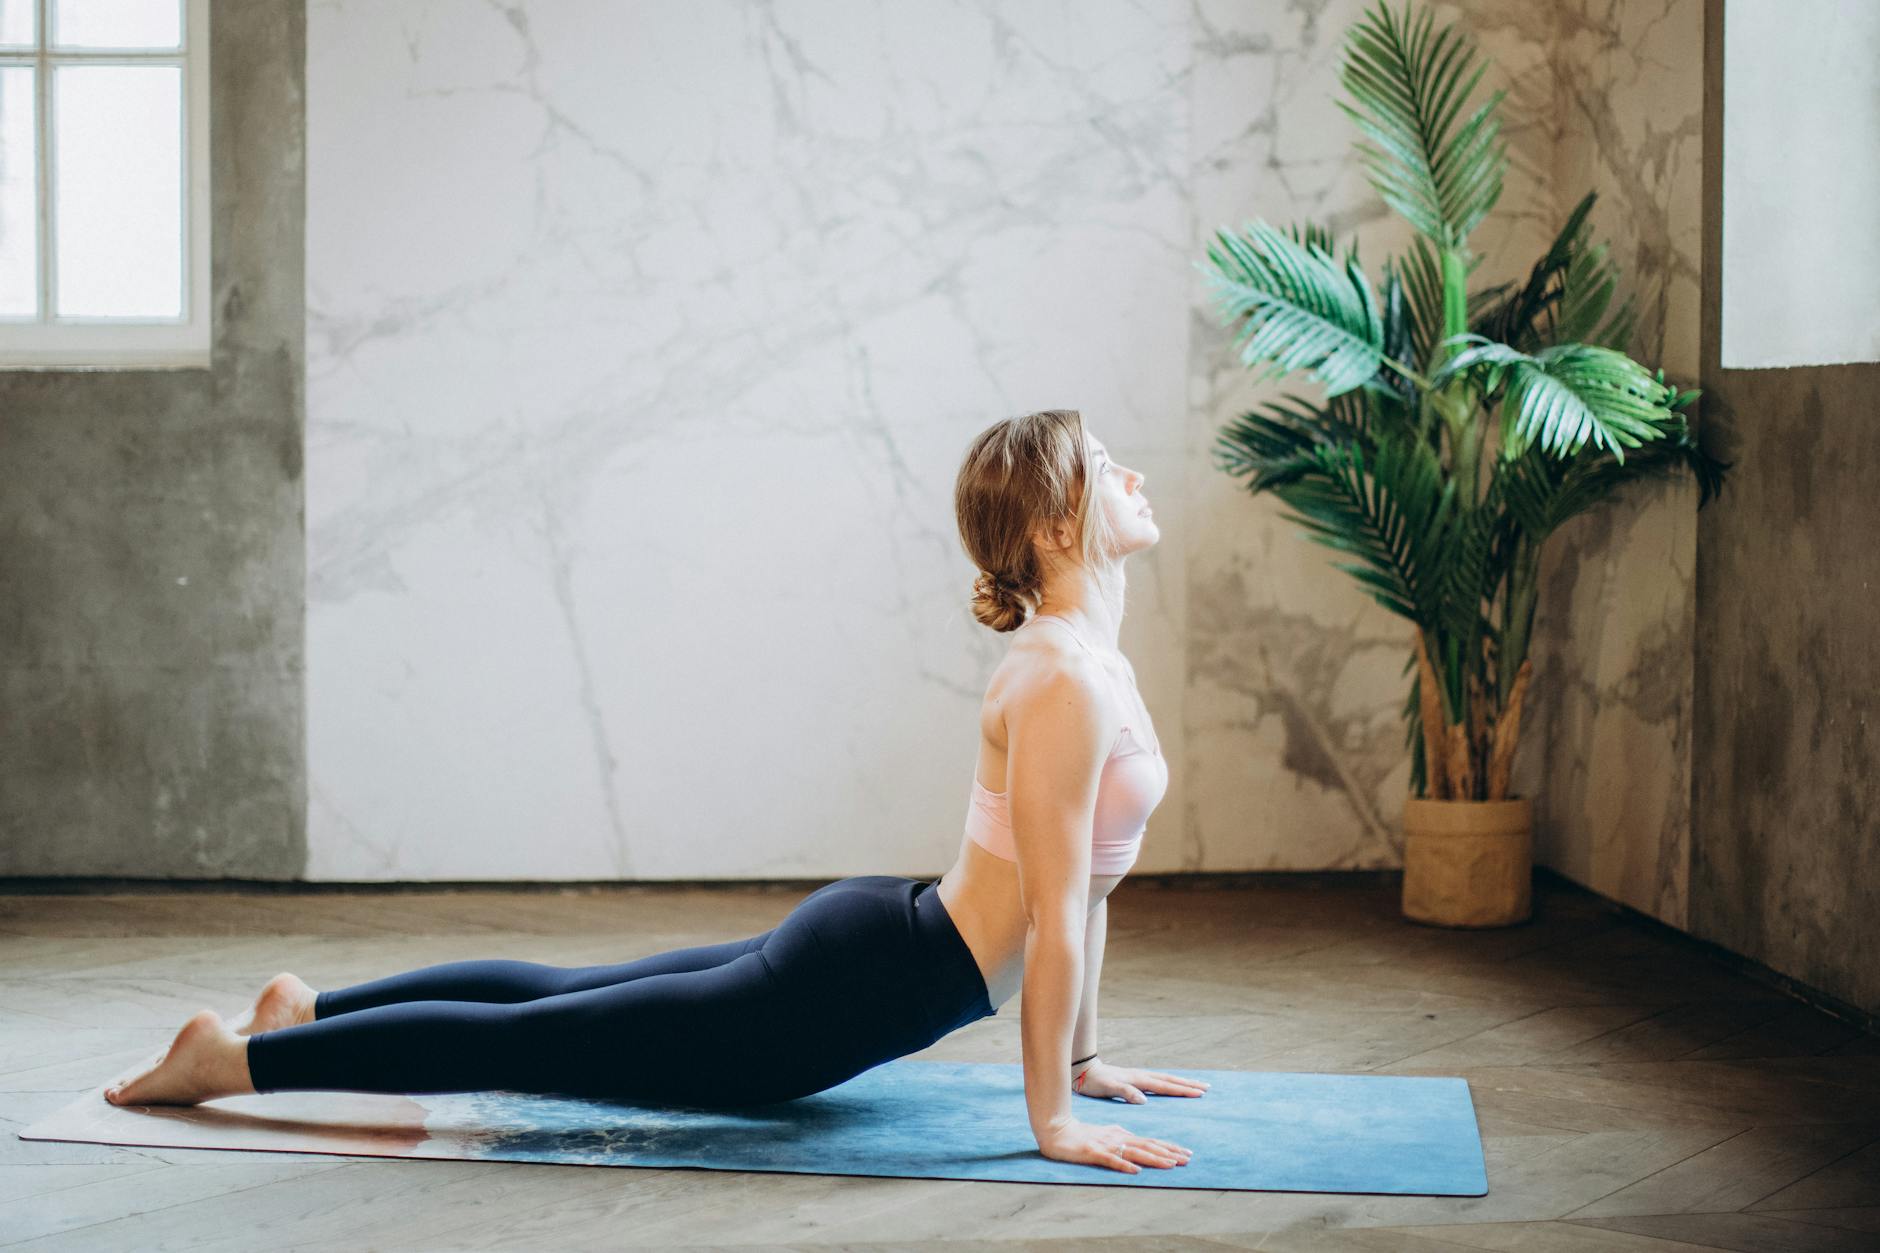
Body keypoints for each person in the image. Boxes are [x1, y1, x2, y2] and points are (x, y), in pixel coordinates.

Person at [103, 408, 1205, 1175]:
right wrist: (1050, 1115)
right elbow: (1052, 914)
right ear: (1057, 526)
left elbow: (1087, 892)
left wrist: (1082, 1058)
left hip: (882, 946)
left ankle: (310, 1009)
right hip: (850, 990)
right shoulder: (1060, 678)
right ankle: (234, 1059)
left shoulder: (1088, 663)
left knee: (556, 994)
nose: (1135, 476)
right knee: (530, 1040)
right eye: (1108, 464)